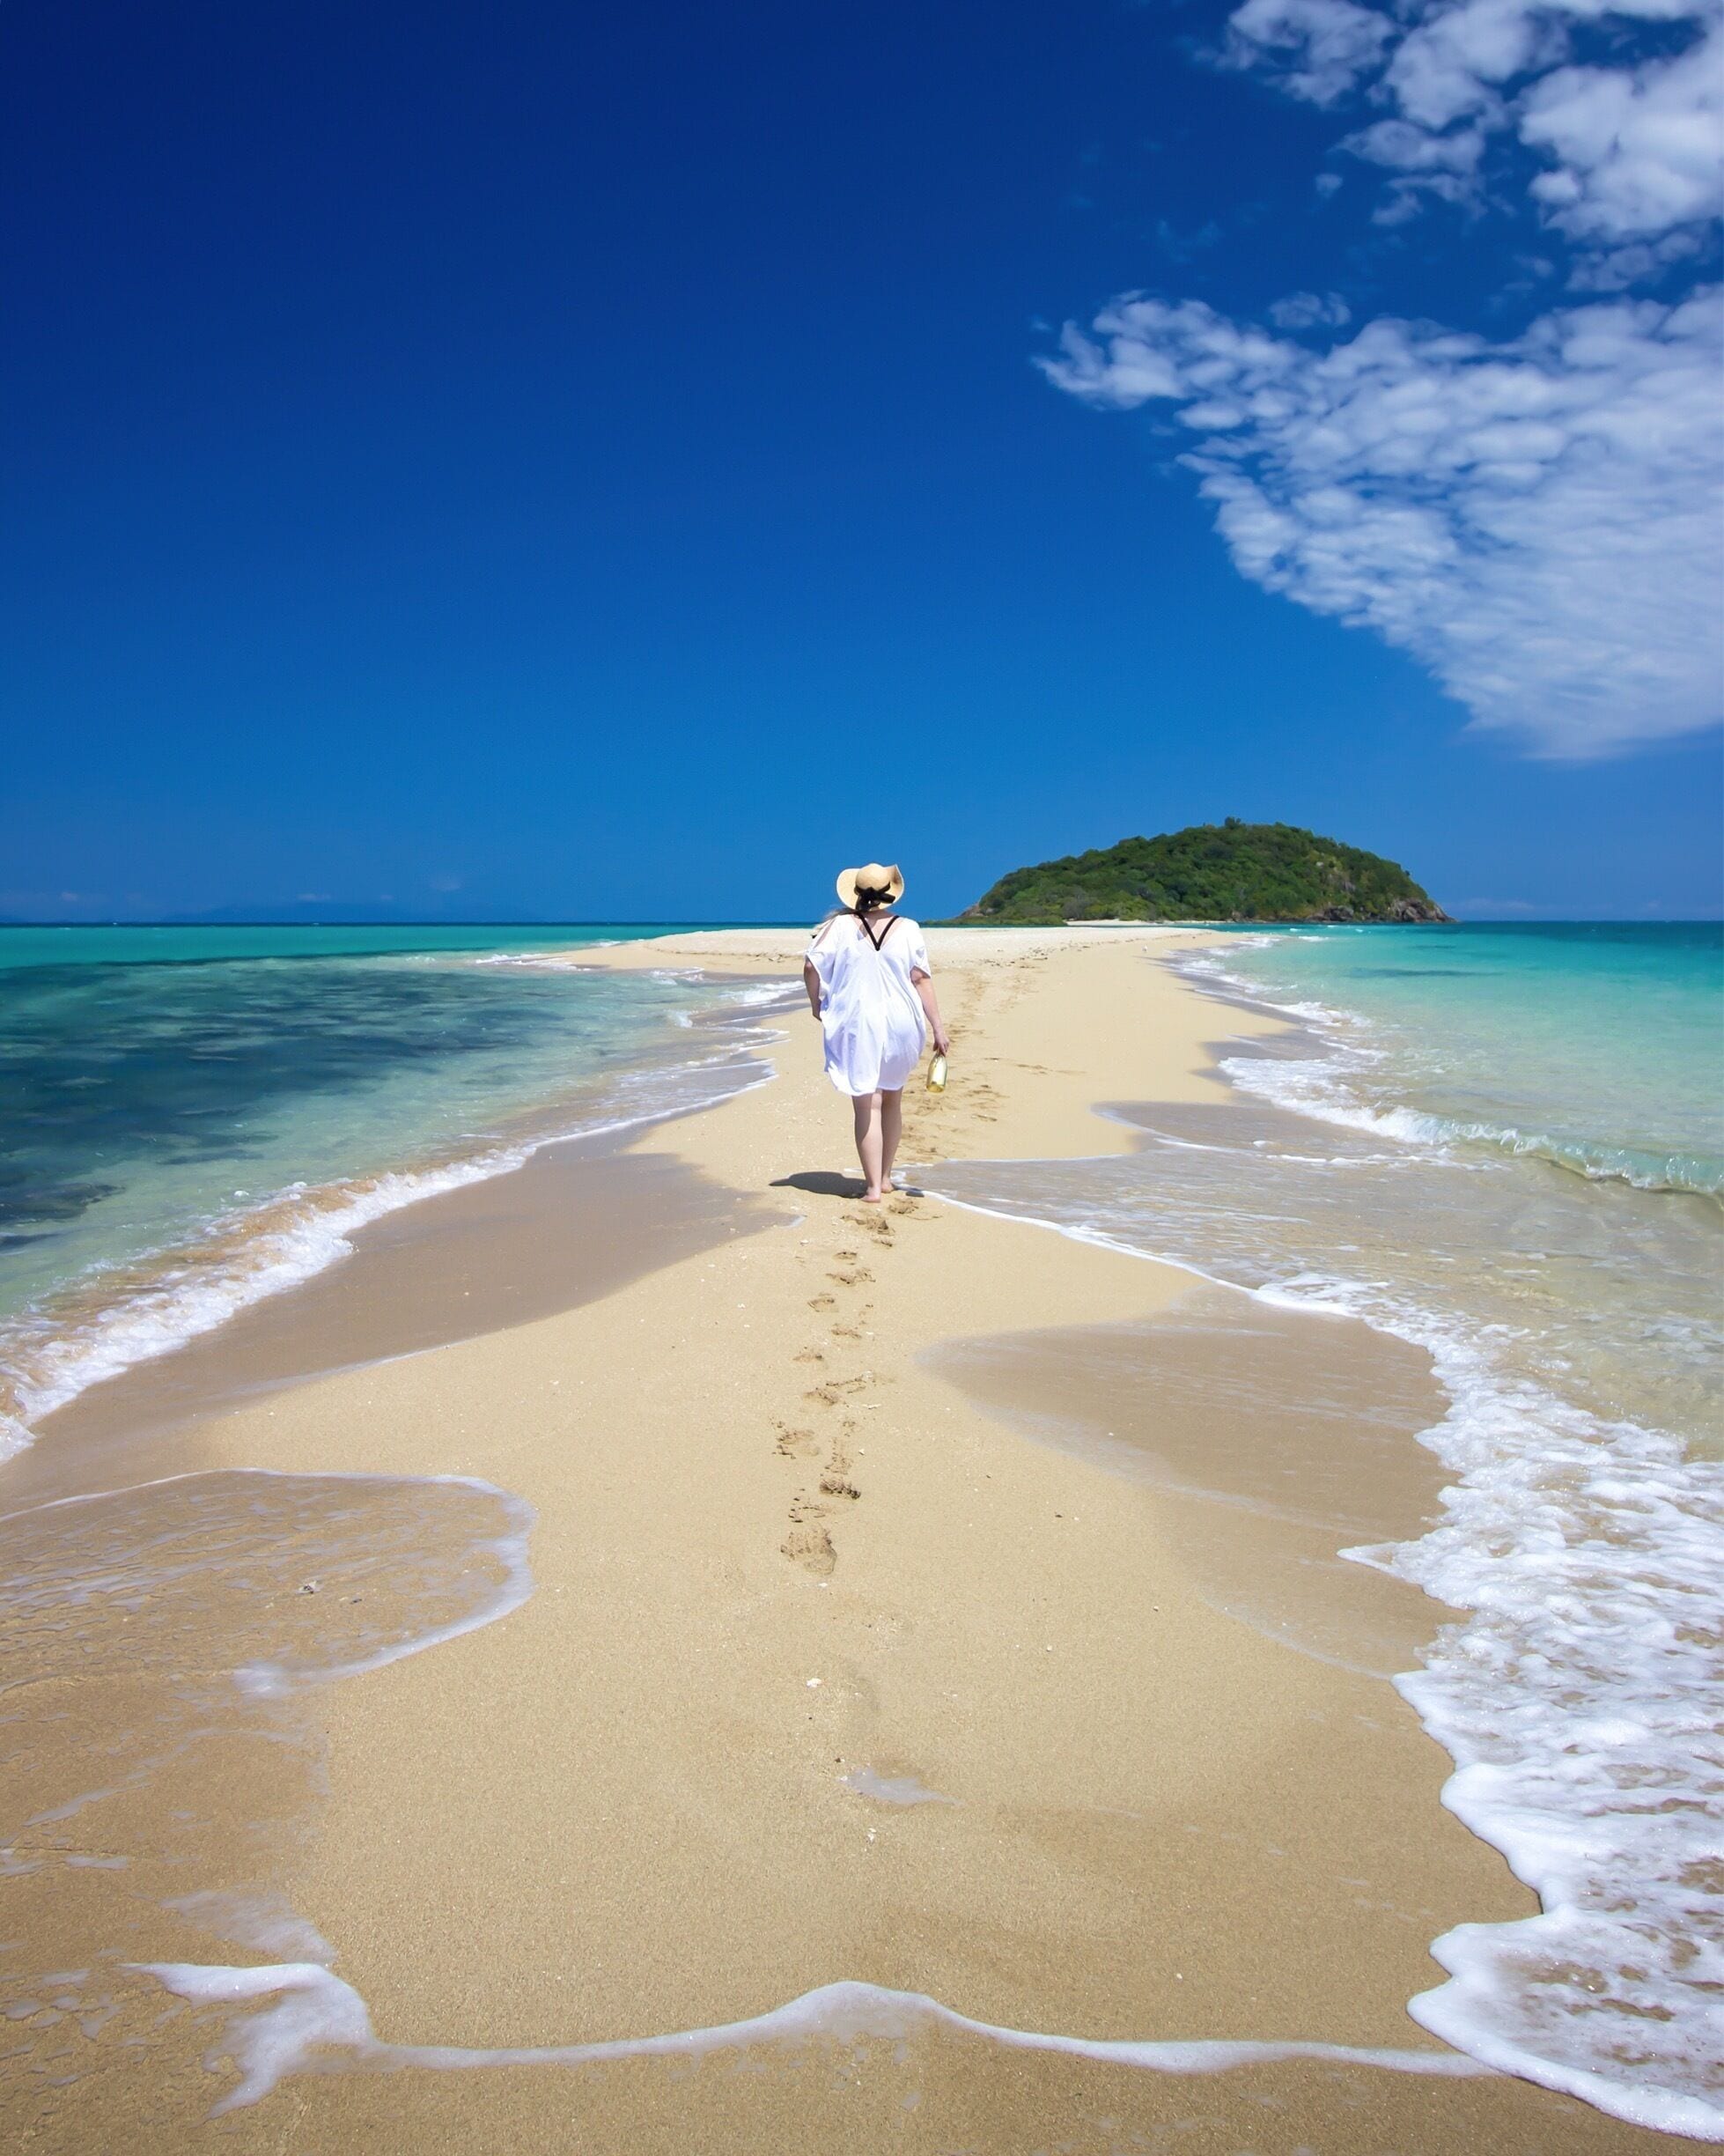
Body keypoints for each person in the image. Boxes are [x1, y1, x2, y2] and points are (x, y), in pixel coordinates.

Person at [803, 862, 951, 1203]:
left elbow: (812, 966)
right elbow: (921, 979)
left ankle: (872, 1189)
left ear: (855, 892)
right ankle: (885, 1178)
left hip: (858, 1022)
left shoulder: (839, 926)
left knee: (867, 1104)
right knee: (893, 1098)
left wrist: (816, 1003)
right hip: (902, 1020)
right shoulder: (909, 927)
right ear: (890, 893)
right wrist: (938, 1028)